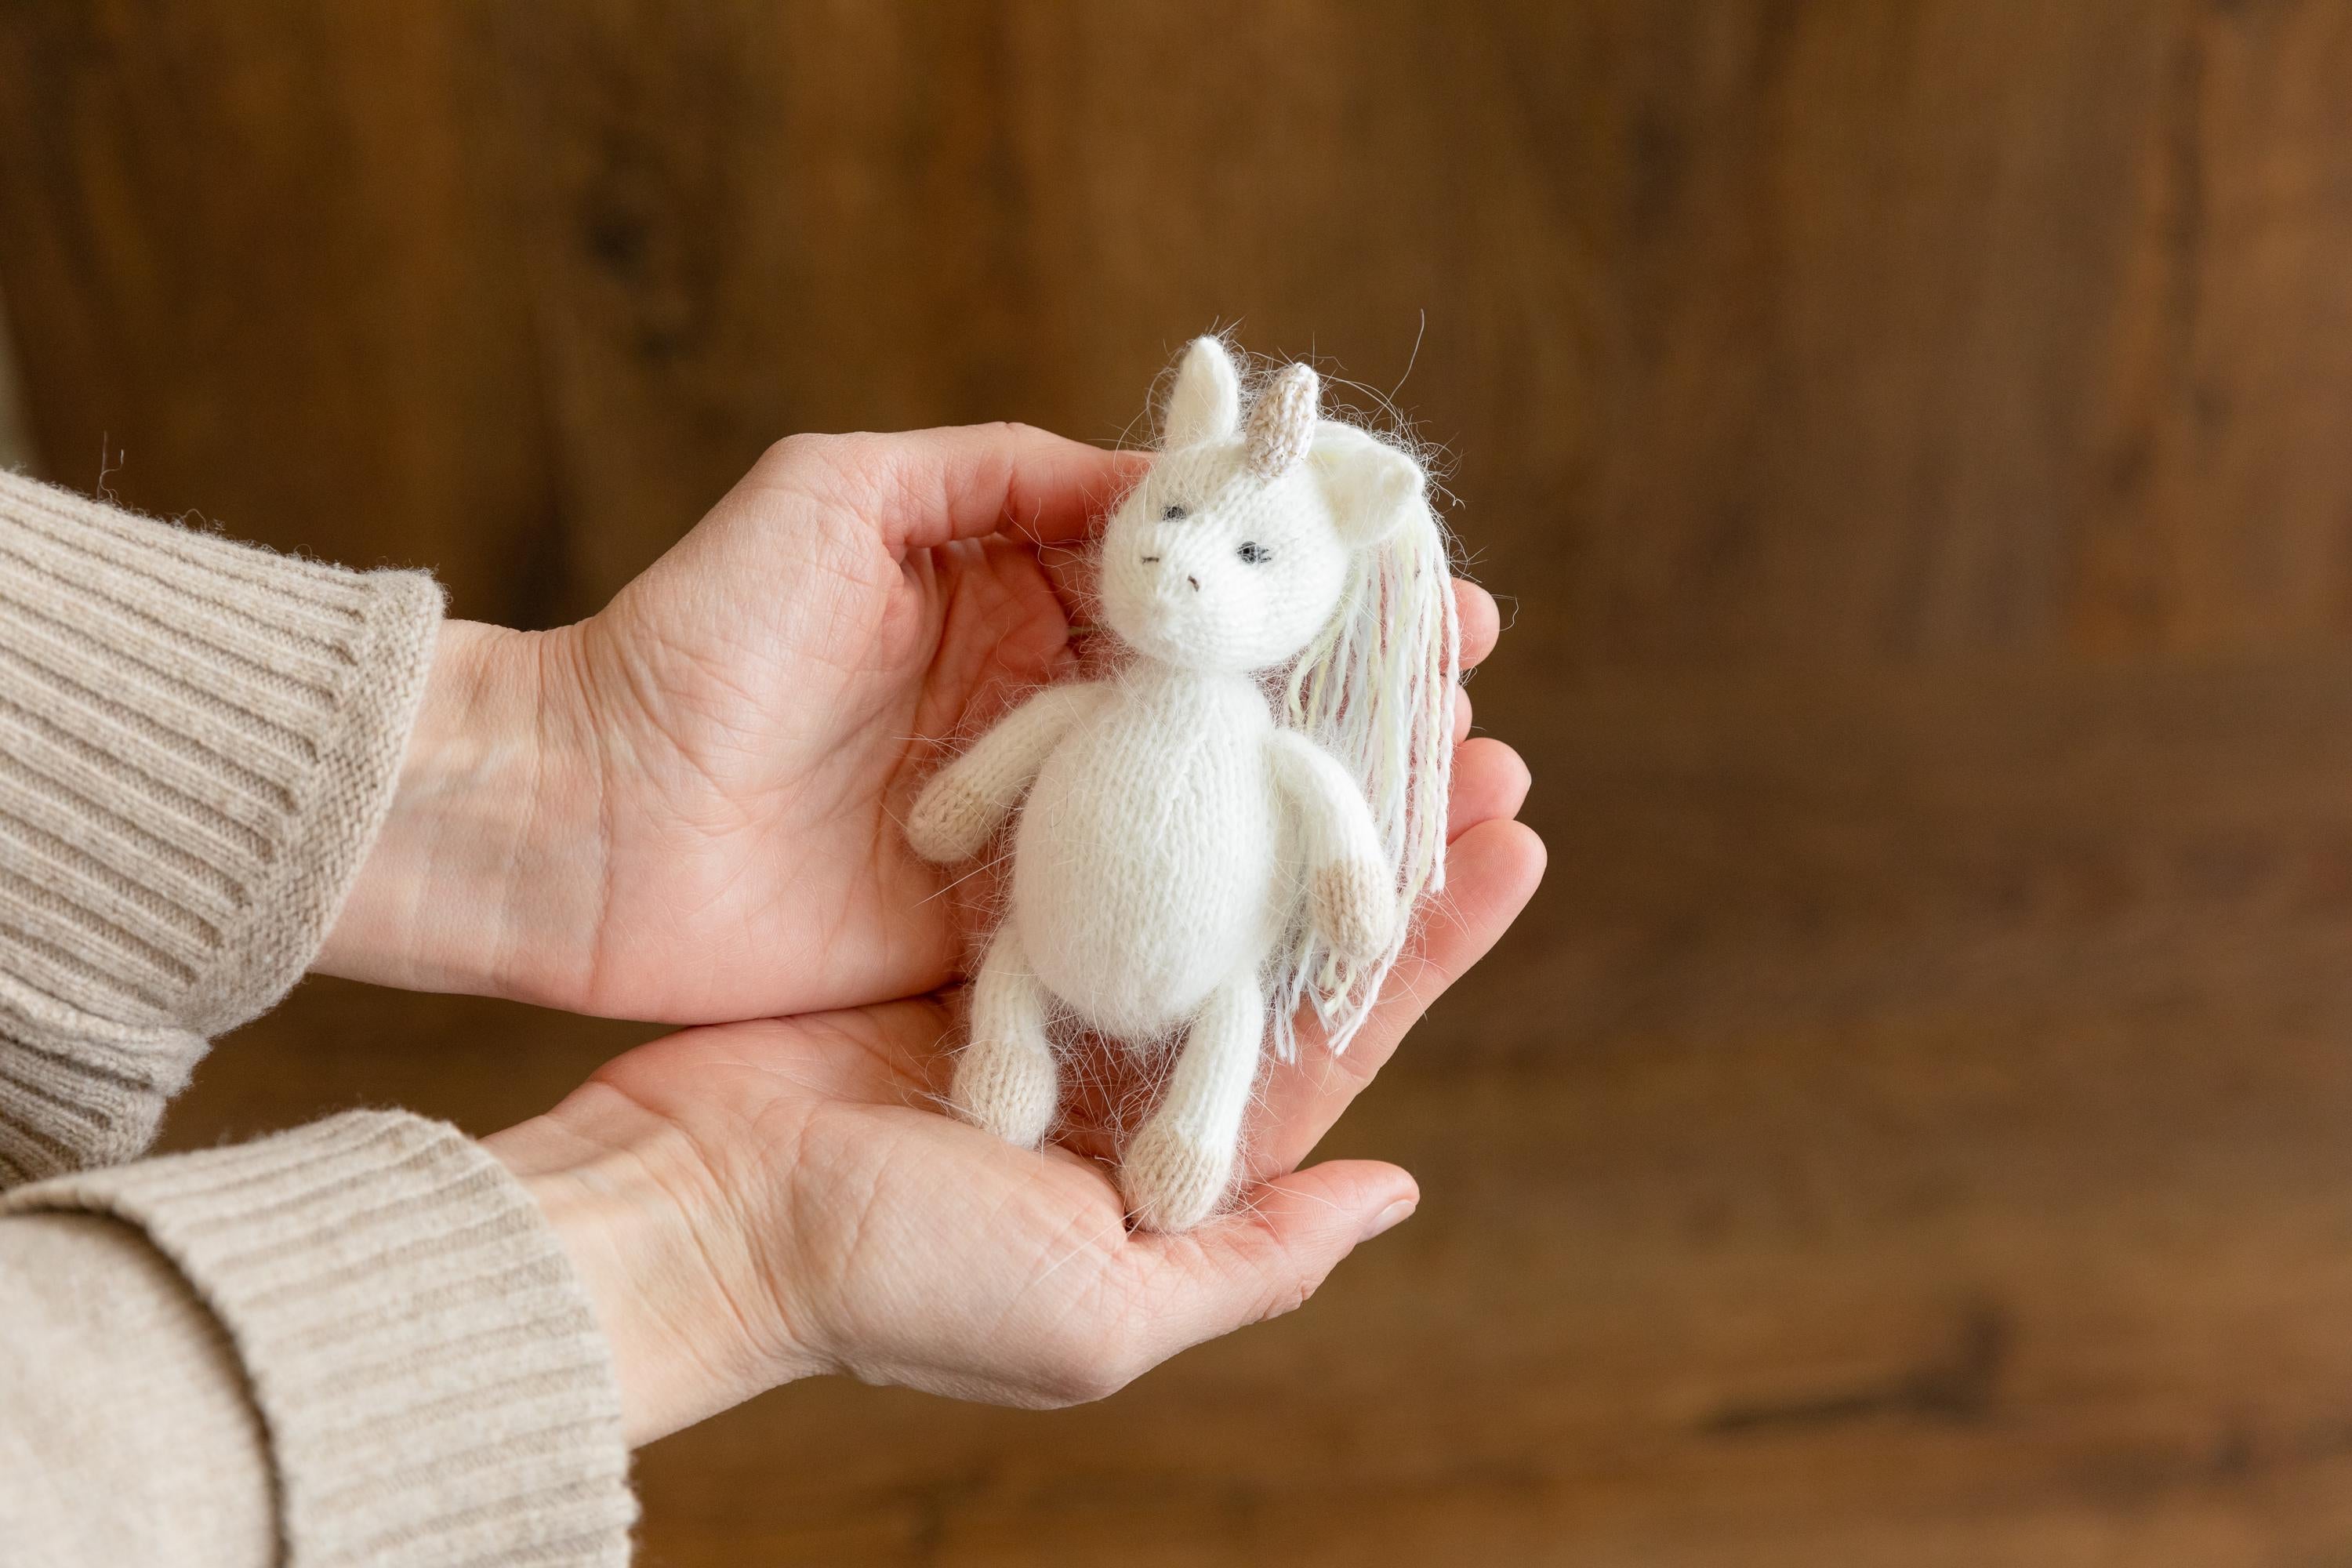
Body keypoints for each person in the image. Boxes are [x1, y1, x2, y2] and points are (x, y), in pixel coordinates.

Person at [0, 424, 1542, 1565]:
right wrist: (722, 1238)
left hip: (1203, 985)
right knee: (1013, 982)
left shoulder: (1259, 743)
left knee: (1216, 1043)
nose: (1183, 555)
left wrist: (536, 764)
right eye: (1182, 514)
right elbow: (992, 781)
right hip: (1032, 957)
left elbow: (1324, 820)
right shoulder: (1092, 703)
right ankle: (1009, 1041)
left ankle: (1177, 1117)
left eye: (1254, 551)